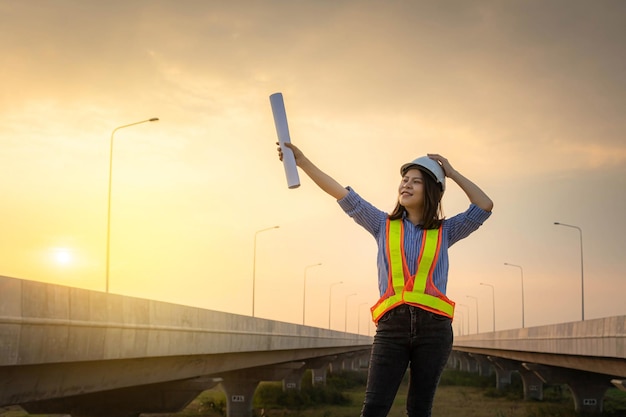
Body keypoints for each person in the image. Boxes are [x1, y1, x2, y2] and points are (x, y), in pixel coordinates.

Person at [277, 141, 493, 417]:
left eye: (416, 182)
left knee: (419, 410)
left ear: (432, 191)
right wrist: (302, 161)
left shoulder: (446, 230)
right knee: (374, 409)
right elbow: (342, 194)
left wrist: (450, 172)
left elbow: (484, 205)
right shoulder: (382, 224)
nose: (406, 185)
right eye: (404, 180)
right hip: (392, 328)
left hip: (435, 330)